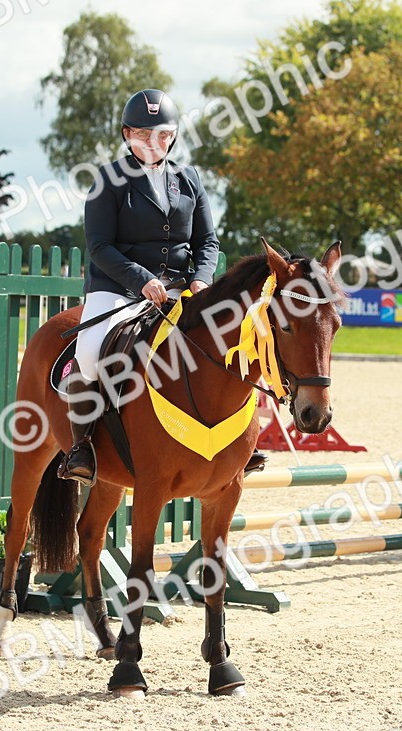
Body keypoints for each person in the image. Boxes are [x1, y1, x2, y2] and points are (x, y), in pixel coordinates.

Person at [60, 88, 266, 485]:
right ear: (126, 134)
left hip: (182, 289)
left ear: (173, 136)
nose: (154, 142)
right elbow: (100, 246)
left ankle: (241, 438)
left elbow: (208, 241)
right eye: (143, 134)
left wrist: (203, 279)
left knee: (233, 340)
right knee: (88, 352)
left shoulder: (188, 179)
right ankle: (82, 445)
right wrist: (142, 280)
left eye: (163, 135)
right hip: (118, 287)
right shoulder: (108, 181)